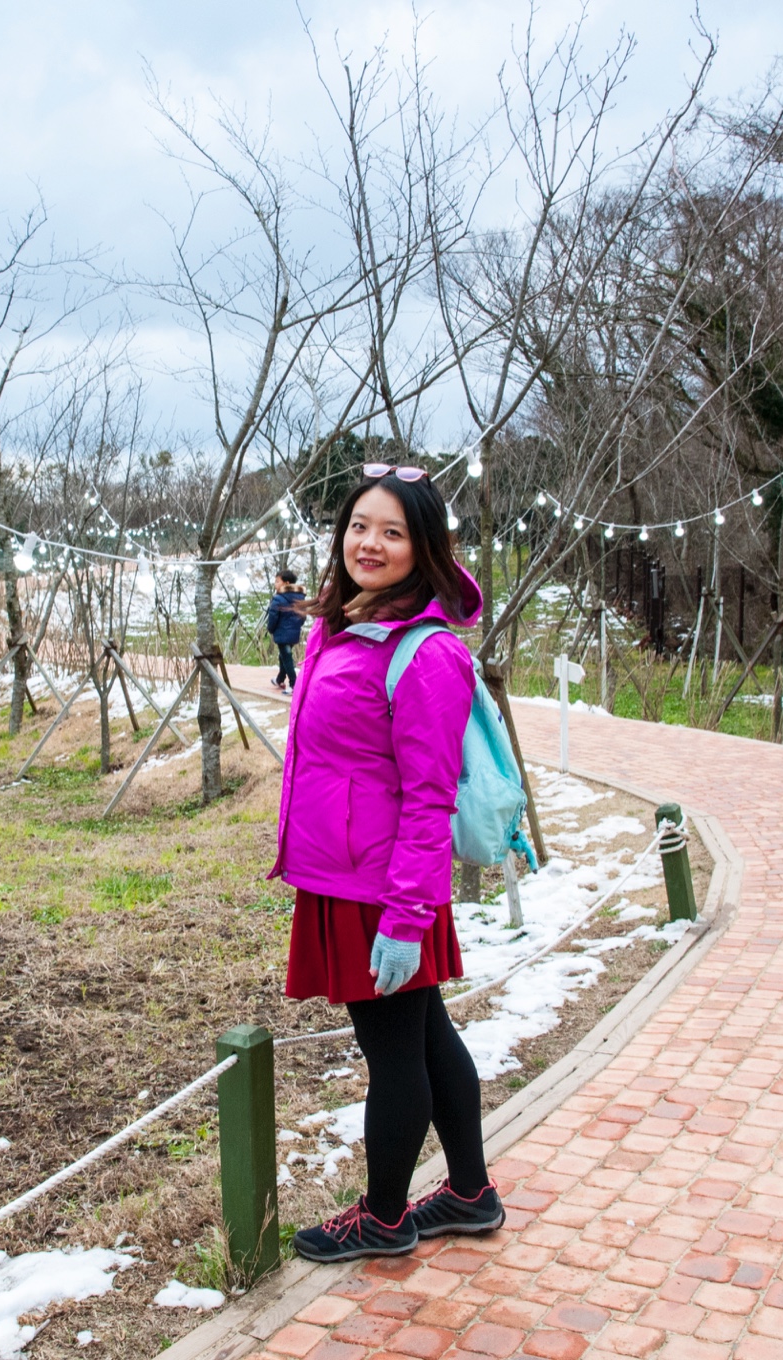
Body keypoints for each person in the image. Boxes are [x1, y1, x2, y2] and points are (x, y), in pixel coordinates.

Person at [273, 463, 501, 1262]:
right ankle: (469, 1193)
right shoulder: (347, 623)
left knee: (396, 1055)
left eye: (393, 532)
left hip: (383, 889)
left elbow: (428, 796)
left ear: (424, 547)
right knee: (429, 1035)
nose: (369, 543)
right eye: (359, 526)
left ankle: (383, 1217)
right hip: (351, 872)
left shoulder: (426, 650)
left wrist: (407, 917)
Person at [265, 568, 306, 693]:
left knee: (286, 658)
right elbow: (303, 617)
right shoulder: (300, 598)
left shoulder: (278, 599)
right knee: (284, 656)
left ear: (286, 583)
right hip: (294, 633)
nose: (275, 584)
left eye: (277, 581)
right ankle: (279, 679)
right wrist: (296, 626)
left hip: (282, 633)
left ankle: (294, 684)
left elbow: (273, 617)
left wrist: (271, 629)